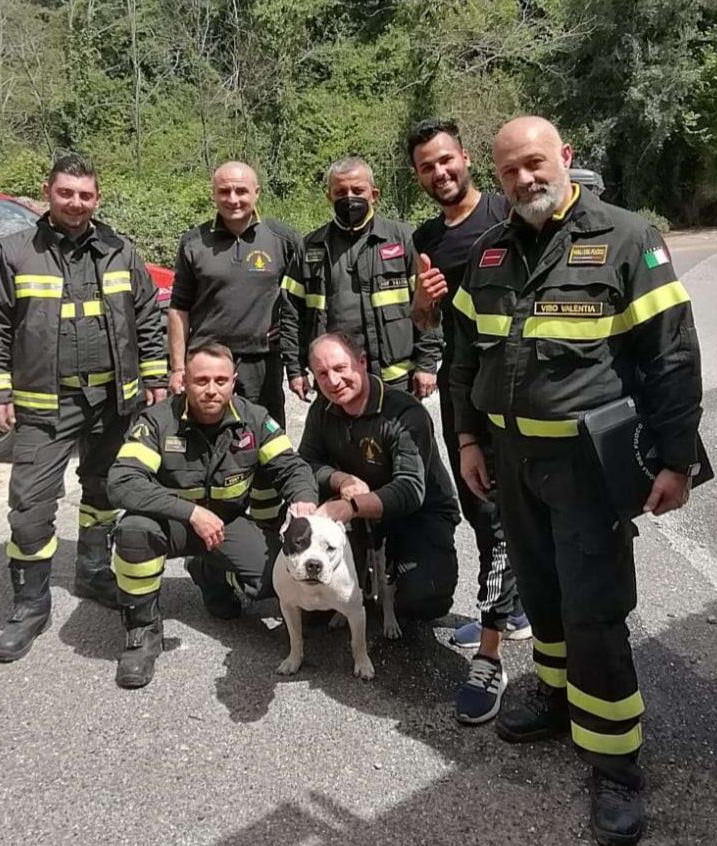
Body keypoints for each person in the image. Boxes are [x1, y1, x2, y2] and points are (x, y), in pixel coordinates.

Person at [442, 116, 703, 846]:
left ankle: (615, 763)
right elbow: (463, 357)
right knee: (544, 597)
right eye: (508, 172)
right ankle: (556, 700)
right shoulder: (490, 252)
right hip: (511, 463)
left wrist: (676, 460)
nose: (523, 179)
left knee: (592, 613)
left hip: (588, 472)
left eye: (534, 163)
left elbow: (671, 357)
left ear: (564, 158)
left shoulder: (625, 237)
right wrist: (466, 436)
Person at [0, 153, 167, 665]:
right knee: (31, 506)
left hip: (112, 402)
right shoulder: (12, 252)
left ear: (97, 198)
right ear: (48, 193)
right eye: (66, 193)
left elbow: (147, 317)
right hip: (44, 406)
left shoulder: (121, 250)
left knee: (103, 490)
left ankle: (94, 570)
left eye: (85, 195)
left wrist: (155, 379)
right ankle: (30, 606)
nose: (76, 203)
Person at [406, 118, 531, 725]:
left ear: (467, 159)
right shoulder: (425, 236)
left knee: (504, 515)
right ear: (418, 176)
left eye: (446, 160)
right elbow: (429, 326)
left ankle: (493, 643)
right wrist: (423, 301)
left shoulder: (506, 219)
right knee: (484, 508)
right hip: (461, 394)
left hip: (513, 392)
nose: (440, 173)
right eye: (428, 167)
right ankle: (510, 610)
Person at [106, 343, 319, 688]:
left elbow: (291, 467)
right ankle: (141, 631)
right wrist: (190, 512)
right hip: (169, 523)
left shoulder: (254, 419)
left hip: (226, 525)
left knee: (273, 580)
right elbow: (121, 482)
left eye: (221, 380)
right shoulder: (157, 421)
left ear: (234, 381)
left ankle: (209, 571)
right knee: (133, 532)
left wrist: (304, 500)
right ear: (185, 381)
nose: (211, 389)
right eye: (201, 380)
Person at [168, 161, 305, 526]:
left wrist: (298, 364)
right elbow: (178, 309)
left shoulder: (282, 238)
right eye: (224, 191)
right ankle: (209, 535)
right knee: (205, 452)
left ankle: (265, 532)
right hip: (208, 367)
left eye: (241, 190)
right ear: (213, 193)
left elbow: (301, 303)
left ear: (257, 193)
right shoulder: (194, 241)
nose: (233, 198)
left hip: (263, 365)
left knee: (265, 449)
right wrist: (179, 368)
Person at [298, 332, 459, 626]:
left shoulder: (405, 413)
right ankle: (360, 573)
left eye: (340, 368)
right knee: (311, 607)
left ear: (362, 362)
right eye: (322, 374)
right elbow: (306, 462)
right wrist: (340, 479)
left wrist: (352, 507)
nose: (333, 382)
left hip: (418, 513)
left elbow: (410, 490)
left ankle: (395, 574)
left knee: (423, 598)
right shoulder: (321, 409)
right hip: (361, 514)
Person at [279, 157, 440, 399]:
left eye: (358, 190)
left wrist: (427, 364)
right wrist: (294, 368)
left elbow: (429, 305)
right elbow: (291, 313)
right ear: (329, 197)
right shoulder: (310, 247)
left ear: (374, 194)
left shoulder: (404, 240)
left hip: (395, 380)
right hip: (335, 380)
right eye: (340, 191)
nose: (349, 197)